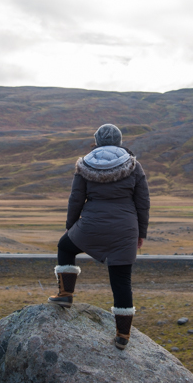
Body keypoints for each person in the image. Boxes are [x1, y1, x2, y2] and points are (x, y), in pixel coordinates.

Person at [49, 123, 150, 350]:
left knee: (65, 247)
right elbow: (143, 204)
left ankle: (65, 294)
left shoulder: (84, 164)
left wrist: (71, 227)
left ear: (97, 139)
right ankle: (123, 335)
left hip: (91, 225)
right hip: (125, 229)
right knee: (121, 280)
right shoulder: (134, 165)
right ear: (119, 141)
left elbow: (76, 199)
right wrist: (141, 233)